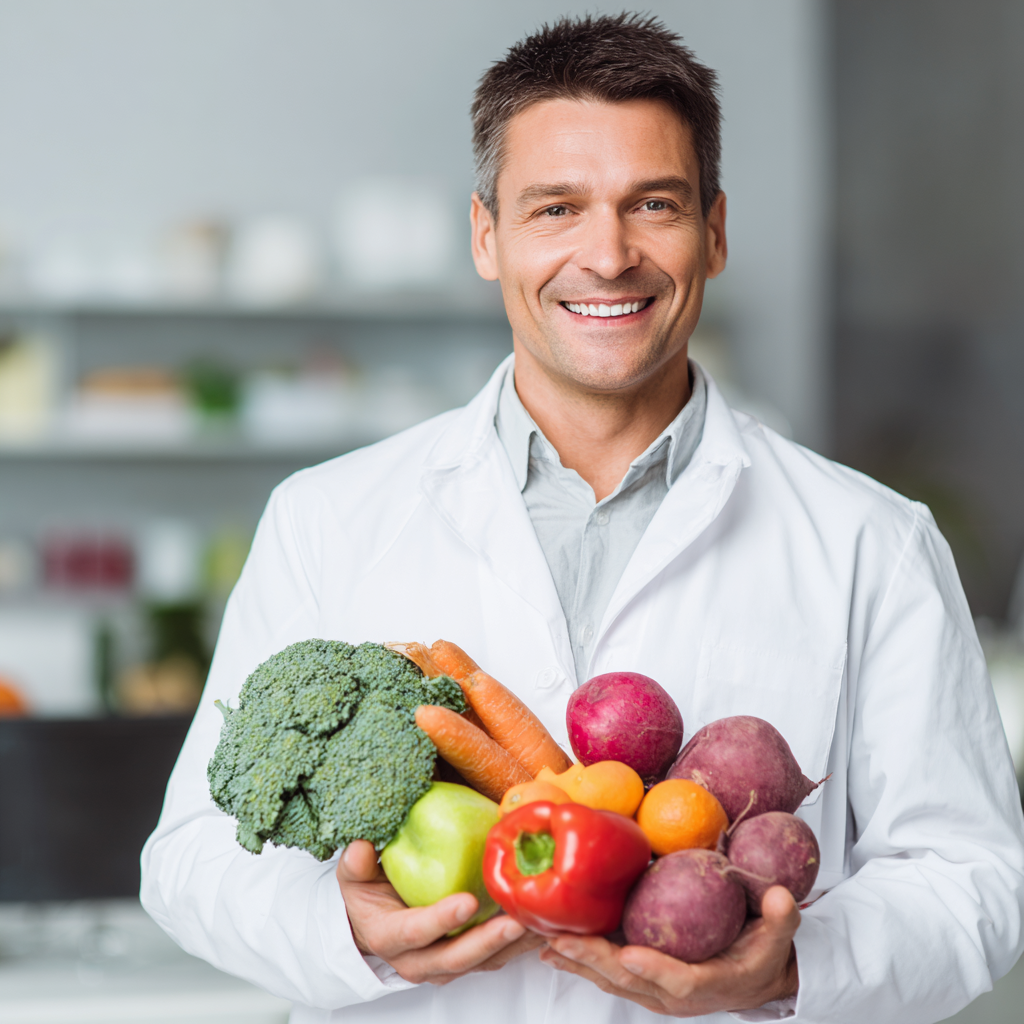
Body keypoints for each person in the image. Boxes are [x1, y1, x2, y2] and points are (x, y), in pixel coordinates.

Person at [141, 13, 1024, 1024]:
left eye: (652, 204)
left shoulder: (872, 540)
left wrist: (785, 969)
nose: (607, 256)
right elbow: (192, 856)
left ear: (716, 231)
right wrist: (346, 934)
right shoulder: (325, 518)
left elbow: (974, 881)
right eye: (555, 208)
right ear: (487, 237)